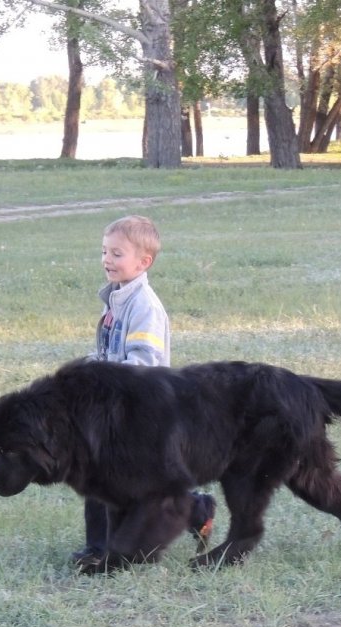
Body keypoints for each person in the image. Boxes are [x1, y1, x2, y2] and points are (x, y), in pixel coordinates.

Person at [73, 215, 216, 571]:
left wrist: (105, 377)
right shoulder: (115, 300)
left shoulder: (144, 307)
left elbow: (145, 361)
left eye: (117, 254)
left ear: (143, 262)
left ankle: (102, 548)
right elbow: (109, 353)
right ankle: (196, 509)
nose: (107, 259)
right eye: (104, 251)